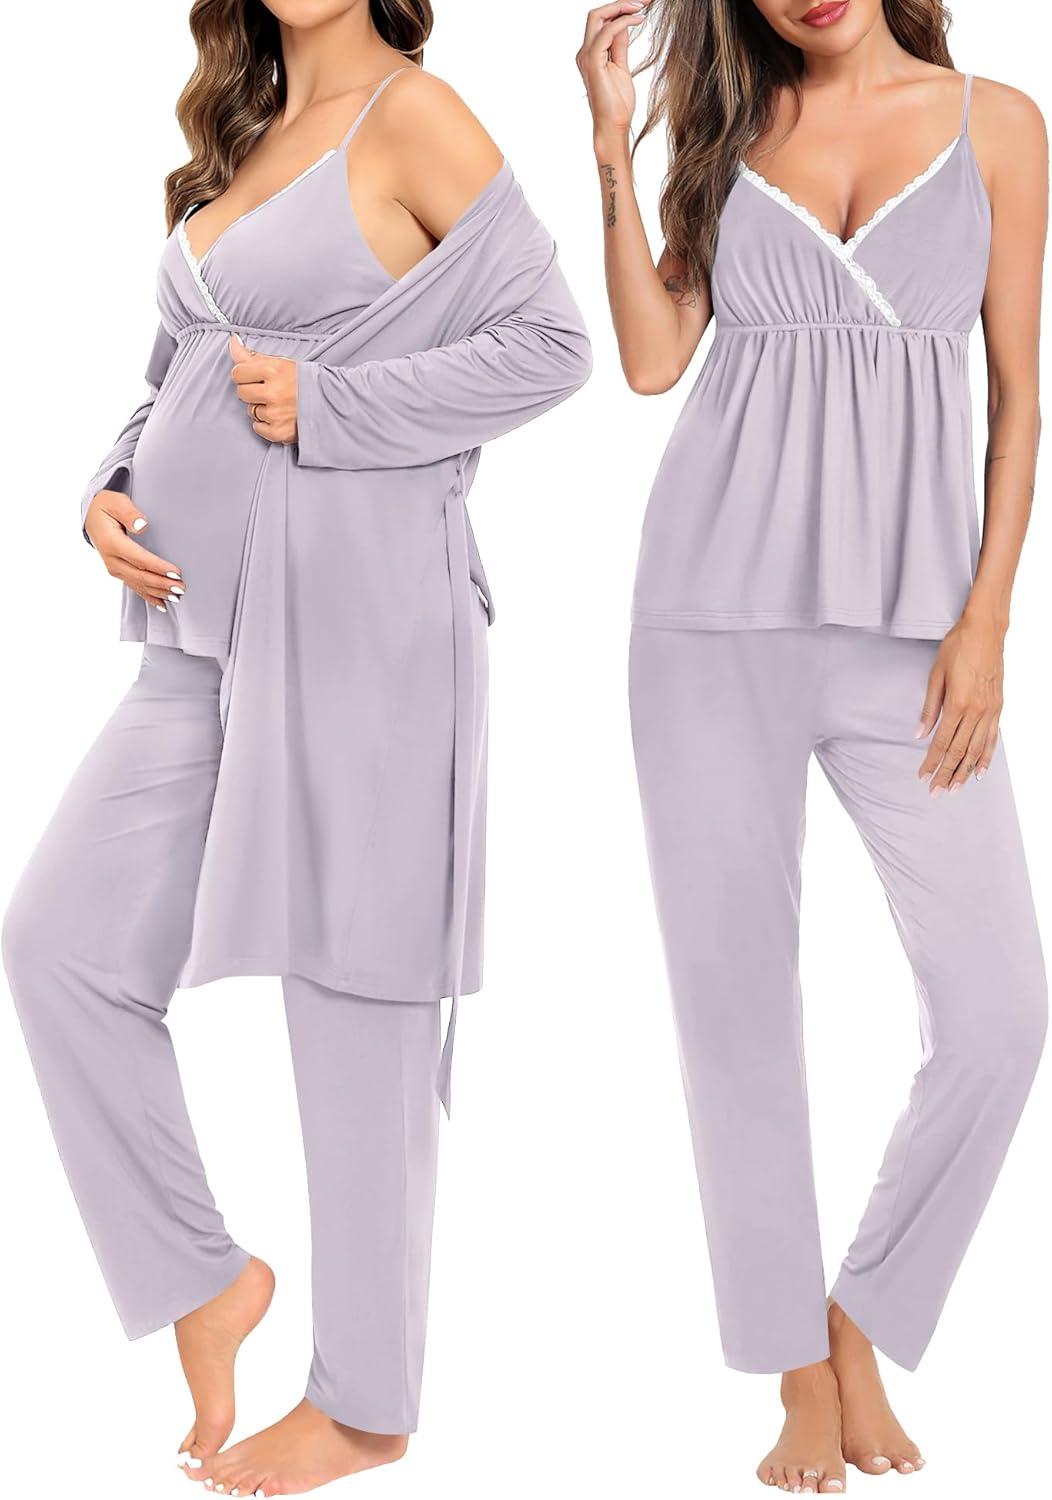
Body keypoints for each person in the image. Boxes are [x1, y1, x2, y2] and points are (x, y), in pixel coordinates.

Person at [3, 2, 591, 1495]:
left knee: (356, 987)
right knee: (59, 943)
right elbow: (176, 372)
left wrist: (334, 403)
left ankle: (365, 1403)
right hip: (196, 642)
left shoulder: (415, 116)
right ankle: (203, 1278)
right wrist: (107, 485)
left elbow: (552, 346)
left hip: (359, 627)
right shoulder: (245, 132)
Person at [578, 0, 1046, 1491]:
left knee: (1000, 1011)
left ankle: (863, 1320)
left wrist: (986, 622)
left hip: (916, 638)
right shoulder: (724, 132)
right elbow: (652, 362)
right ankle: (793, 1369)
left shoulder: (998, 126)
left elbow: (1019, 399)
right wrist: (612, 145)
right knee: (735, 1012)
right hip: (707, 619)